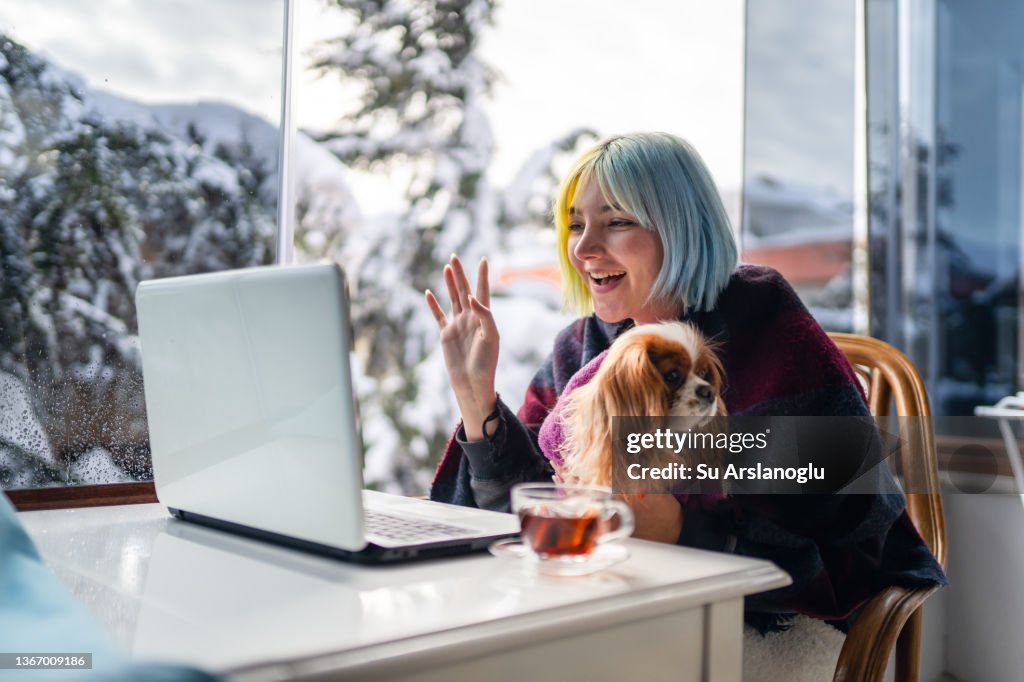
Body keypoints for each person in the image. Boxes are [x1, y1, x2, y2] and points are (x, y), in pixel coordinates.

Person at [423, 132, 945, 636]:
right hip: (612, 602)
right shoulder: (581, 346)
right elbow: (522, 515)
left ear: (680, 229)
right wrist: (477, 399)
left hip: (767, 621)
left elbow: (854, 549)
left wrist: (683, 531)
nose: (584, 247)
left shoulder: (769, 330)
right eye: (575, 224)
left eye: (617, 221)